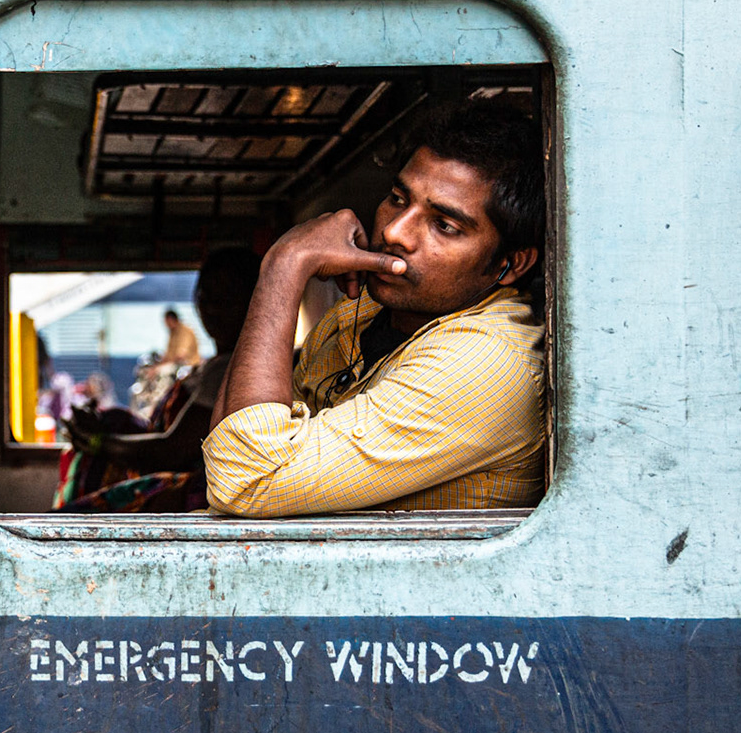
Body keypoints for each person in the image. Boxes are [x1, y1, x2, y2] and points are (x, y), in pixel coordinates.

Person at [203, 104, 547, 516]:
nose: (393, 231)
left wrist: (284, 264)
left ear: (512, 263)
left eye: (444, 225)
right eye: (398, 199)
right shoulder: (358, 313)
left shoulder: (486, 362)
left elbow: (243, 482)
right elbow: (232, 441)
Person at [55, 247, 263, 512]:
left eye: (226, 298)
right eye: (205, 296)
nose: (211, 308)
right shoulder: (210, 366)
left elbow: (174, 452)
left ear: (253, 302)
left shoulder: (229, 371)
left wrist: (100, 442)